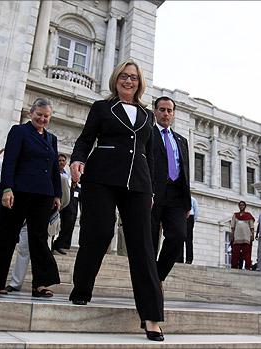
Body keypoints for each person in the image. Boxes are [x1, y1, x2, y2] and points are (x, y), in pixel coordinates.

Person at [68, 58, 164, 341]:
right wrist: (77, 160)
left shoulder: (148, 116)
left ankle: (151, 316)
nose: (128, 80)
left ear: (140, 82)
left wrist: (153, 192)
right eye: (123, 76)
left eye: (133, 77)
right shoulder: (102, 108)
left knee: (143, 246)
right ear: (116, 79)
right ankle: (82, 288)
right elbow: (86, 139)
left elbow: (151, 156)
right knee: (98, 233)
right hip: (101, 177)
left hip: (139, 184)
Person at [0, 97, 61, 297]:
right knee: (7, 236)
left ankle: (40, 284)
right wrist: (7, 188)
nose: (42, 119)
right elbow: (9, 161)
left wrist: (57, 194)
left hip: (44, 194)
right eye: (39, 115)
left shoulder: (51, 138)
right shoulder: (19, 132)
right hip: (19, 192)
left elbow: (54, 169)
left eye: (46, 116)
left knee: (38, 238)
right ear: (31, 114)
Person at [6, 172, 70, 292]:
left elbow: (65, 198)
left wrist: (55, 209)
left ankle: (41, 283)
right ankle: (15, 283)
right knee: (23, 249)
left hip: (47, 220)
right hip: (27, 218)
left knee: (42, 249)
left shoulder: (61, 178)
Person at [151, 96, 191, 282]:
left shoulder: (182, 140)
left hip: (176, 195)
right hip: (152, 194)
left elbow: (186, 171)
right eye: (162, 110)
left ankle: (157, 276)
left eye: (169, 110)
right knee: (149, 242)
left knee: (178, 235)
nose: (166, 114)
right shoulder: (148, 134)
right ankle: (148, 282)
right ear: (155, 112)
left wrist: (187, 202)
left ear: (173, 114)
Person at [52, 153, 80, 255]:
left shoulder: (67, 175)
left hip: (66, 203)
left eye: (63, 161)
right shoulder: (53, 173)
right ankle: (50, 245)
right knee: (52, 224)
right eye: (59, 160)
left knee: (67, 225)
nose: (61, 162)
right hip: (55, 203)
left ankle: (59, 244)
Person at [230, 201, 255, 270]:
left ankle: (247, 266)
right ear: (239, 206)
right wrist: (232, 235)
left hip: (246, 237)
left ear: (245, 206)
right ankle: (234, 266)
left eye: (243, 205)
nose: (241, 206)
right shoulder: (235, 215)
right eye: (240, 205)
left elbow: (252, 227)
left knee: (247, 253)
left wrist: (252, 235)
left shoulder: (249, 215)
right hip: (237, 237)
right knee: (235, 253)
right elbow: (232, 226)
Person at [177, 196, 199, 264]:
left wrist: (192, 221)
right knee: (181, 238)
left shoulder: (193, 199)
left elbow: (196, 211)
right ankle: (181, 258)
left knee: (188, 239)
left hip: (189, 217)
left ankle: (188, 259)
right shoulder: (181, 199)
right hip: (183, 216)